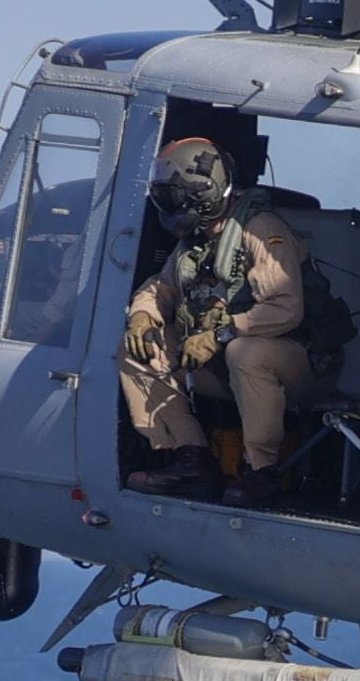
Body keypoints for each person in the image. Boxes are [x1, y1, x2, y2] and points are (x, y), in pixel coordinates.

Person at [120, 136, 317, 507]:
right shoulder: (197, 240)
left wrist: (219, 335)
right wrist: (142, 317)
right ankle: (190, 458)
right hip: (224, 362)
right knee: (138, 347)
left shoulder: (261, 230)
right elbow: (162, 286)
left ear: (203, 194)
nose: (169, 206)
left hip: (300, 363)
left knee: (246, 351)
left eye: (176, 197)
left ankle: (262, 472)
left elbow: (286, 309)